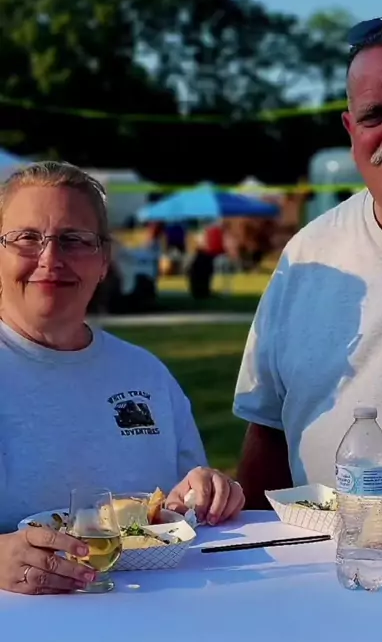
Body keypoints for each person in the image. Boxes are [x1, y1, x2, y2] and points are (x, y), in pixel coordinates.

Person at [233, 10, 382, 519]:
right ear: (351, 129)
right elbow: (269, 432)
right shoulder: (308, 254)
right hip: (328, 564)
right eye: (374, 115)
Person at [0, 161, 244, 594]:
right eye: (27, 238)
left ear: (103, 260)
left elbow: (177, 513)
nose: (50, 259)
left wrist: (204, 491)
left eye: (74, 240)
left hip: (148, 620)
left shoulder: (145, 374)